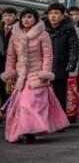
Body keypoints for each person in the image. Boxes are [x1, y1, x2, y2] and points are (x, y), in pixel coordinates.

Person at [1, 9, 69, 143]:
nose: (26, 20)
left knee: (31, 104)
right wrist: (10, 73)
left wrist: (45, 73)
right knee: (20, 106)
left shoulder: (43, 35)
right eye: (24, 18)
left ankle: (28, 132)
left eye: (29, 17)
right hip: (21, 76)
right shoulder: (15, 35)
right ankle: (23, 132)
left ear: (36, 19)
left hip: (36, 75)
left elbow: (48, 56)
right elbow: (10, 57)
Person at [43, 3, 79, 112]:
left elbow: (73, 47)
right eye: (50, 13)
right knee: (44, 94)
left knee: (60, 94)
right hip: (44, 66)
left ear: (63, 16)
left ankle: (60, 120)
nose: (53, 16)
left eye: (56, 13)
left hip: (61, 65)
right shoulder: (42, 29)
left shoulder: (69, 29)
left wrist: (72, 62)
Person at [0, 7, 18, 104]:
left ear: (15, 16)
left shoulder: (19, 29)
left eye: (10, 15)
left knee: (10, 88)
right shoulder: (1, 27)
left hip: (12, 63)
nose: (7, 18)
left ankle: (10, 111)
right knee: (2, 88)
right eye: (5, 16)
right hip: (1, 62)